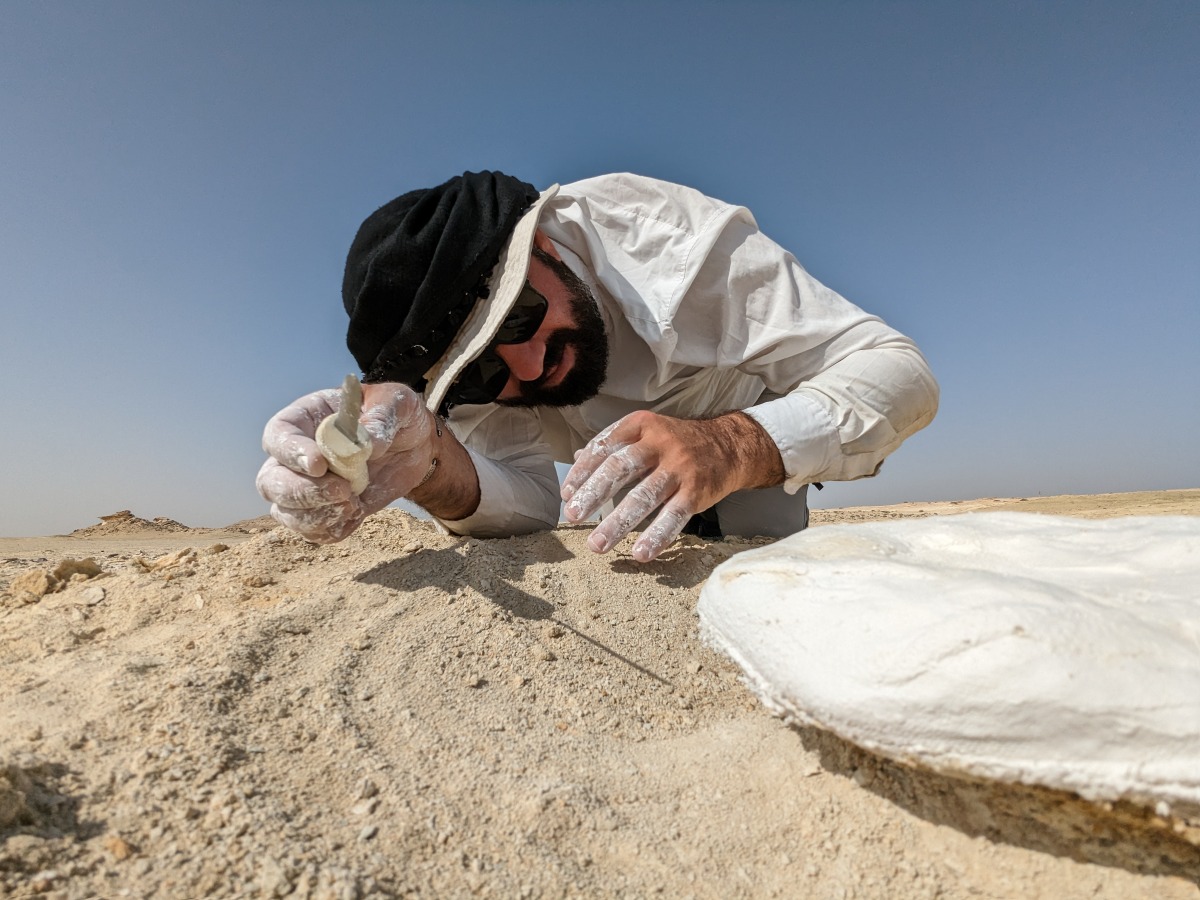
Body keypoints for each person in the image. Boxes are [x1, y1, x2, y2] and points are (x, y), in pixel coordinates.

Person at [257, 171, 938, 562]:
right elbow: (528, 500)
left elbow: (897, 371)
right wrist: (432, 463)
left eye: (519, 317)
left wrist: (732, 446)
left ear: (546, 244)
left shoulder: (669, 238)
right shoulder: (458, 386)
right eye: (485, 373)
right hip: (618, 493)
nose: (526, 363)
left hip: (760, 458)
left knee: (765, 553)